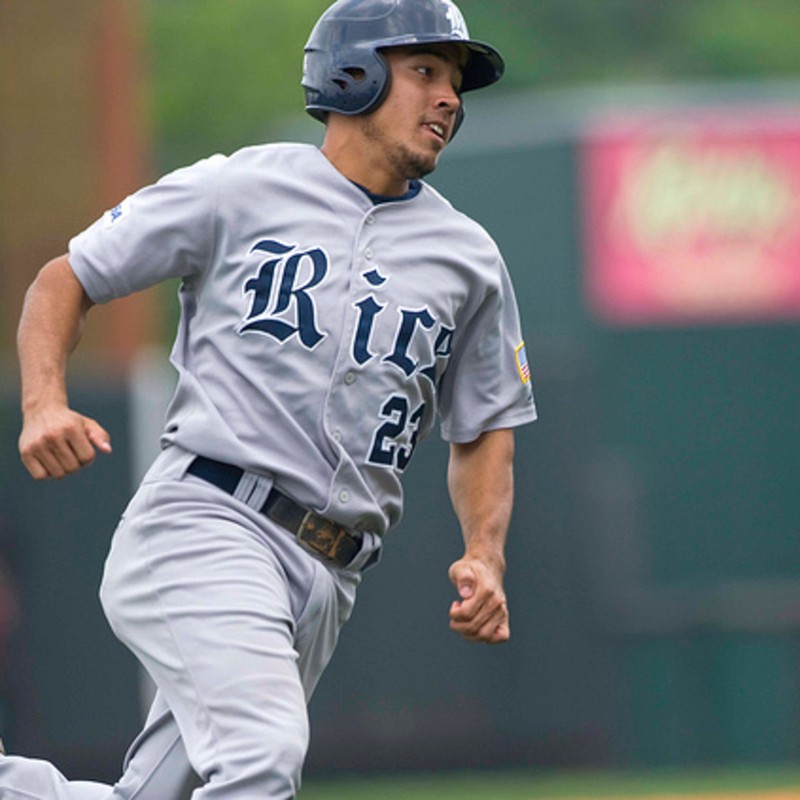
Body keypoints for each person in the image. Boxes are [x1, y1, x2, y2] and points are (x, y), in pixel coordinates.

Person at [2, 0, 537, 797]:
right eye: (425, 71)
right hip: (210, 521)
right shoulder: (239, 187)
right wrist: (45, 402)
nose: (450, 97)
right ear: (350, 75)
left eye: (456, 81)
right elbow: (65, 280)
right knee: (261, 760)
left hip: (329, 577)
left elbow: (486, 425)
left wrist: (485, 554)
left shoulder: (470, 258)